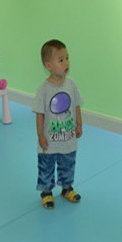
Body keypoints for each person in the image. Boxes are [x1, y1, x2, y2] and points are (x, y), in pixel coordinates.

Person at [33, 39, 83, 209]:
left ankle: (66, 188)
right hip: (49, 141)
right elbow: (40, 114)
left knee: (68, 164)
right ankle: (46, 192)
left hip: (68, 138)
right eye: (61, 60)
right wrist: (40, 135)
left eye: (67, 58)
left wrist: (79, 124)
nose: (66, 62)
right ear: (48, 65)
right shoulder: (44, 90)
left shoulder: (71, 84)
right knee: (46, 166)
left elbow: (76, 105)